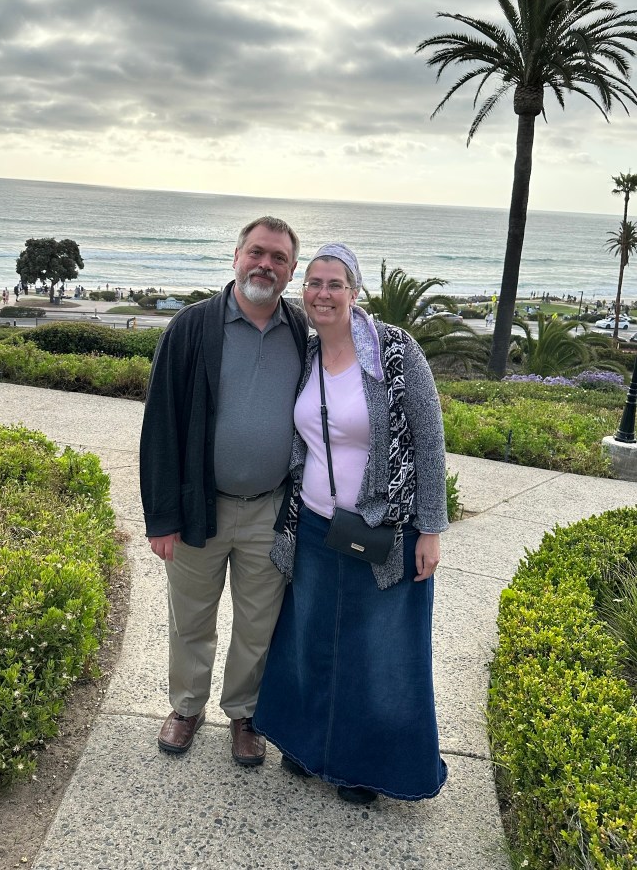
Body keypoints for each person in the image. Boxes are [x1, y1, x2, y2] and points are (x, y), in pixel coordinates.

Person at [254, 243, 449, 805]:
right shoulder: (308, 351)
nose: (323, 293)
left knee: (379, 654)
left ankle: (365, 768)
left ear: (355, 291)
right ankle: (306, 746)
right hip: (316, 528)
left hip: (384, 532)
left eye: (335, 283)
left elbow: (430, 442)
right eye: (314, 283)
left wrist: (431, 530)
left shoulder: (394, 351)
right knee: (311, 641)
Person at [140, 216, 309, 766]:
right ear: (236, 257)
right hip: (199, 507)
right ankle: (186, 708)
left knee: (258, 625)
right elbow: (160, 423)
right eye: (256, 252)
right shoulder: (191, 327)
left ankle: (244, 715)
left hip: (269, 509)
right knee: (191, 619)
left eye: (278, 258)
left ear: (291, 271)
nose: (265, 265)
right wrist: (161, 516)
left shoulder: (301, 332)